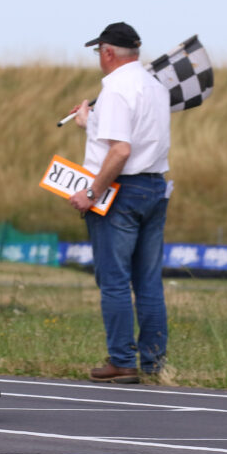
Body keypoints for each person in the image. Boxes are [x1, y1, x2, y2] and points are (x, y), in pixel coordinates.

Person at [68, 22, 171, 383]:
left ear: (108, 52)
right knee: (148, 282)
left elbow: (121, 150)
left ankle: (122, 360)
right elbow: (133, 138)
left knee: (114, 280)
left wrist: (91, 192)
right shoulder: (155, 87)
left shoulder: (114, 89)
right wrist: (90, 124)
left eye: (99, 51)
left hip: (120, 192)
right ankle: (155, 363)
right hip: (155, 187)